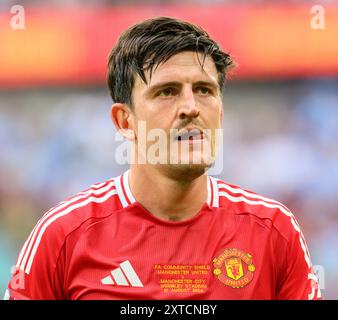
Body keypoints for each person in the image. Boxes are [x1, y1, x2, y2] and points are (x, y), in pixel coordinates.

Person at [5, 17, 321, 300]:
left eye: (204, 90)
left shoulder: (274, 231)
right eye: (167, 91)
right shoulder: (62, 236)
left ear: (221, 113)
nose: (190, 107)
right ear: (124, 121)